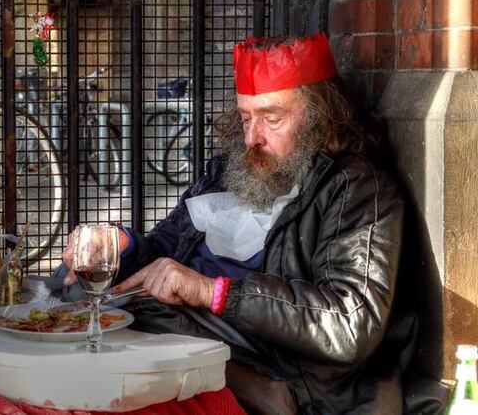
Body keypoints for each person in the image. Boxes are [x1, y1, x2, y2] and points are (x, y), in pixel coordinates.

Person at [60, 33, 417, 414]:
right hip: (164, 339)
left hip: (261, 374)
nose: (252, 138)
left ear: (319, 117)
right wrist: (122, 246)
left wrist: (214, 292)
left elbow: (349, 324)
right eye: (246, 118)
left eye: (272, 118)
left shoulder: (356, 188)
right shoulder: (228, 173)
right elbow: (163, 259)